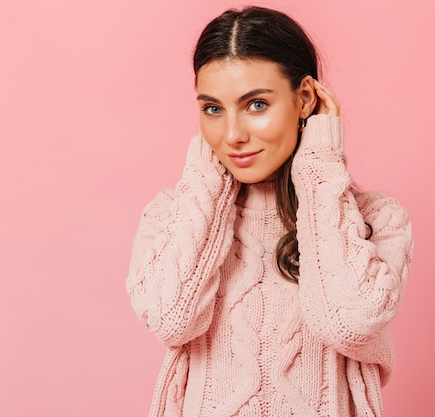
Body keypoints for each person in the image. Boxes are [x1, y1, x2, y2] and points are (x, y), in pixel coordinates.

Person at [126, 6, 413, 417]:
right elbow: (172, 320)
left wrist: (320, 165)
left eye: (256, 104)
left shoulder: (374, 220)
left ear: (305, 99)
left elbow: (347, 323)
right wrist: (206, 177)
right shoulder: (171, 216)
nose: (233, 135)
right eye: (213, 109)